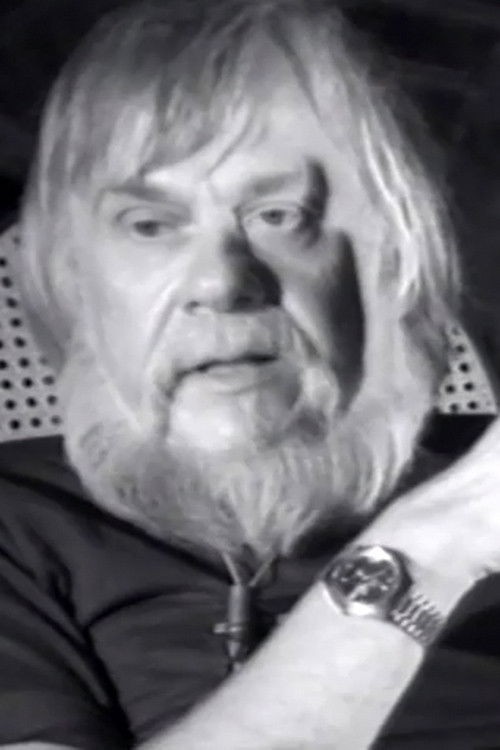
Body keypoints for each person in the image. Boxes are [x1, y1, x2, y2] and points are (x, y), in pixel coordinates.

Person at [2, 0, 500, 748]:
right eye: (150, 225)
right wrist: (430, 551)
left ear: (393, 257)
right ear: (72, 278)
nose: (223, 283)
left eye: (278, 215)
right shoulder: (18, 527)